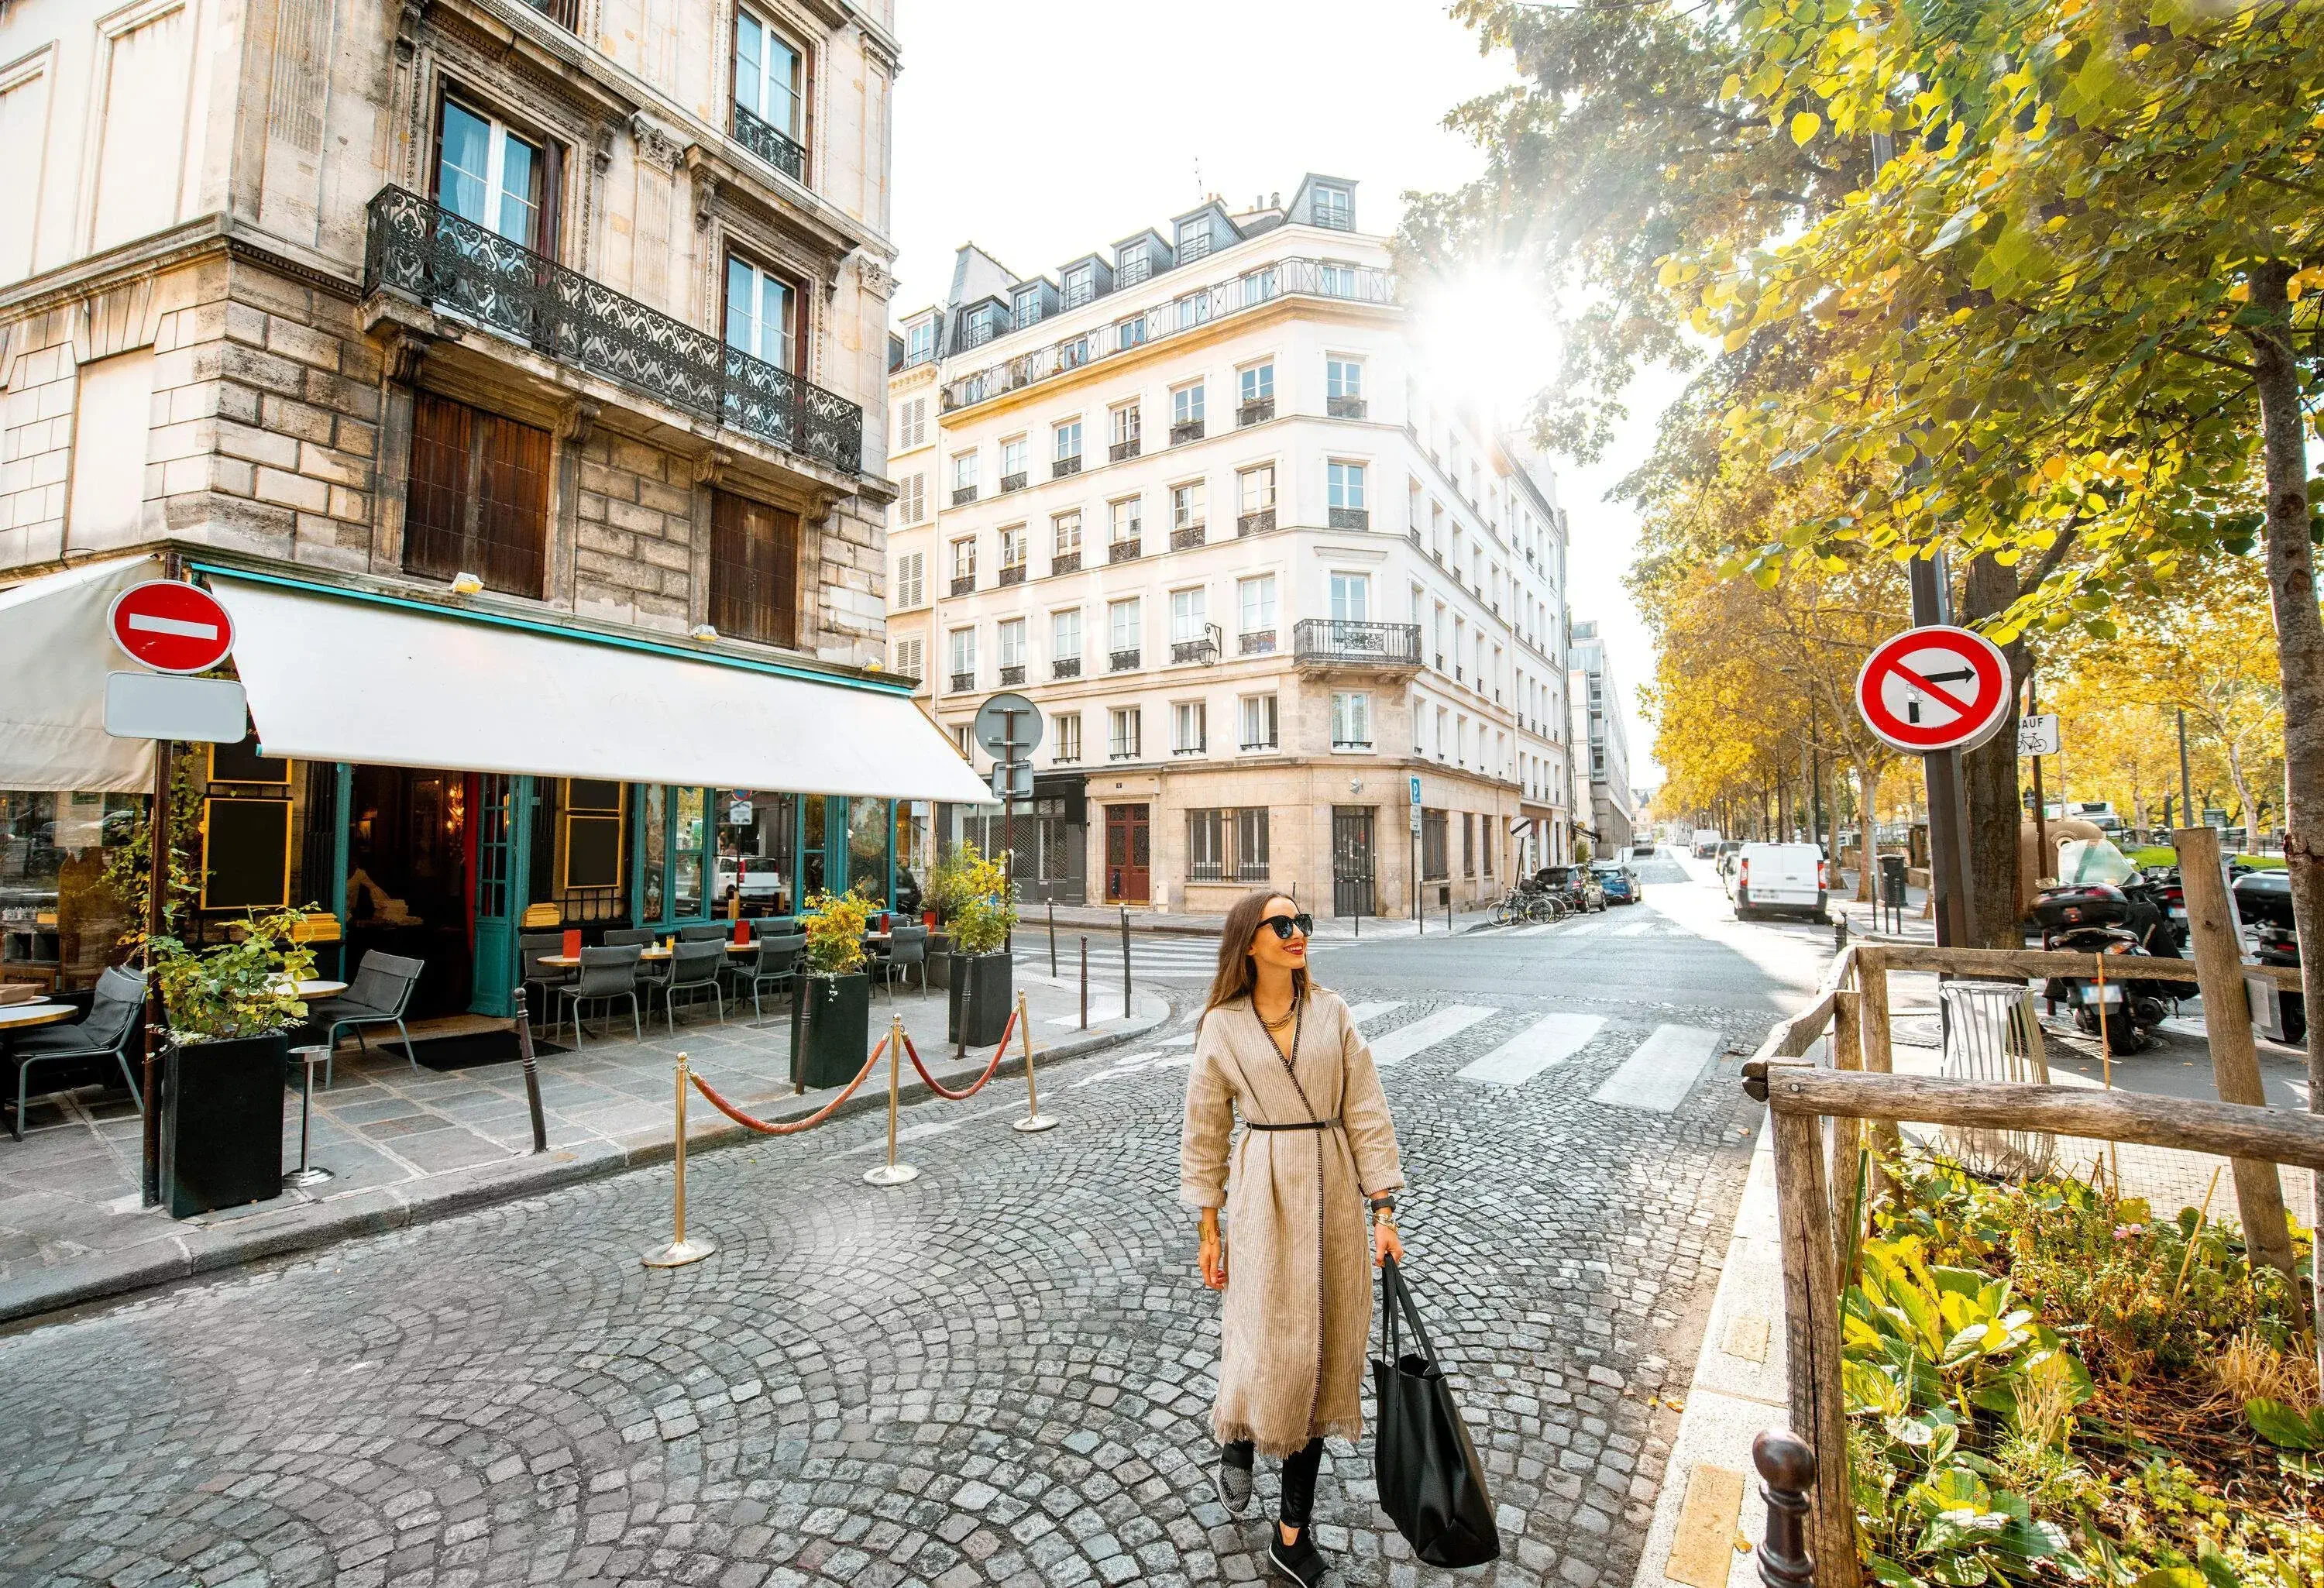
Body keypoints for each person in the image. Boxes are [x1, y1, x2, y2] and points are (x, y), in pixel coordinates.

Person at [1180, 891, 1405, 1587]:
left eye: (1301, 922)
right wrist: (1208, 1223)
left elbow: (1366, 1108)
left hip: (1333, 1188)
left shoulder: (1333, 1015)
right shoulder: (1222, 1025)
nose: (1297, 932)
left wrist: (1385, 1211)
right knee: (1262, 1337)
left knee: (1323, 1352)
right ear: (1250, 941)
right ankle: (1238, 1433)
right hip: (1264, 1192)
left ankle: (1291, 1532)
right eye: (1282, 924)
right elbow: (1205, 1129)